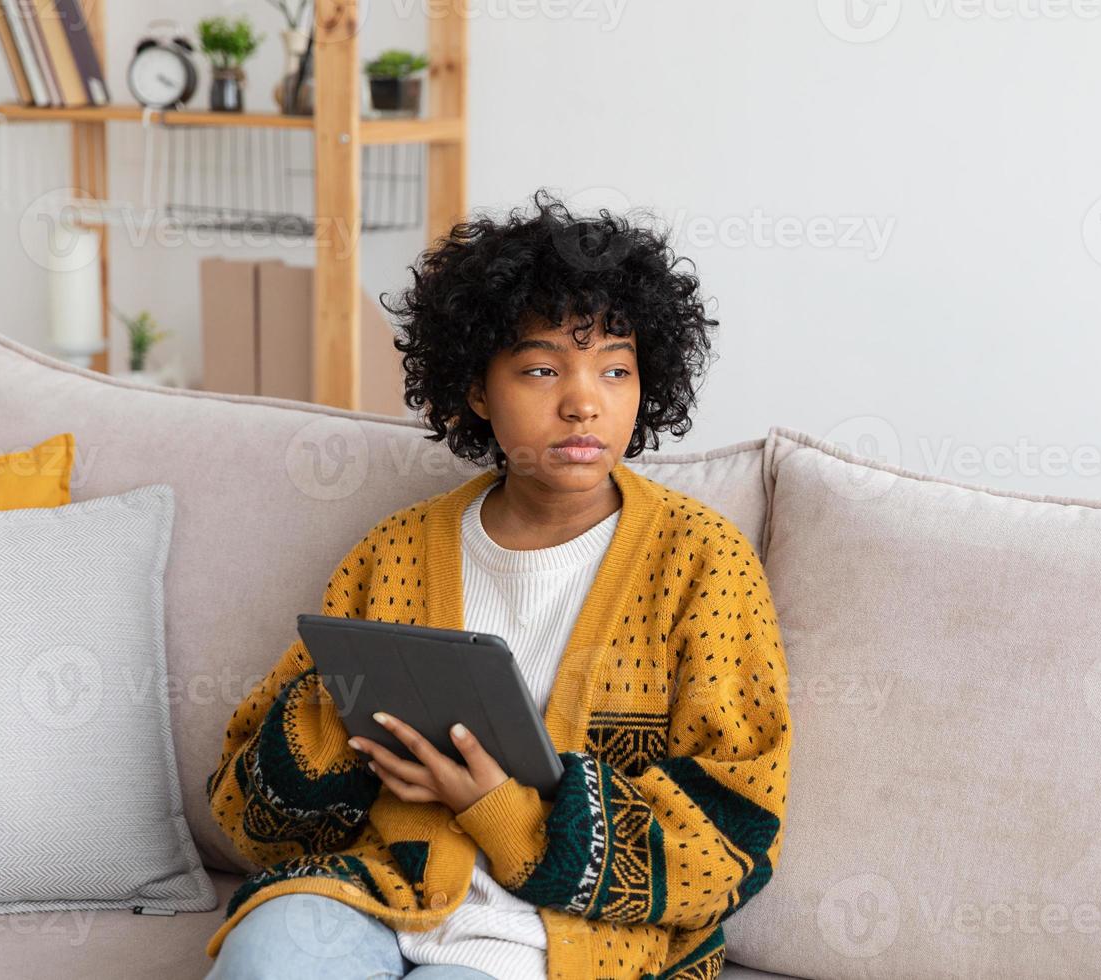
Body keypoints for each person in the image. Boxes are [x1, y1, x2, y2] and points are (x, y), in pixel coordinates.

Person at [202, 189, 793, 980]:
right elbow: (245, 813)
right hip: (383, 893)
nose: (584, 400)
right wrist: (347, 720)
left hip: (563, 939)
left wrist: (503, 813)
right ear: (478, 389)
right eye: (542, 368)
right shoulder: (398, 551)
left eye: (616, 369)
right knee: (262, 961)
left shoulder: (702, 562)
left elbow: (732, 837)